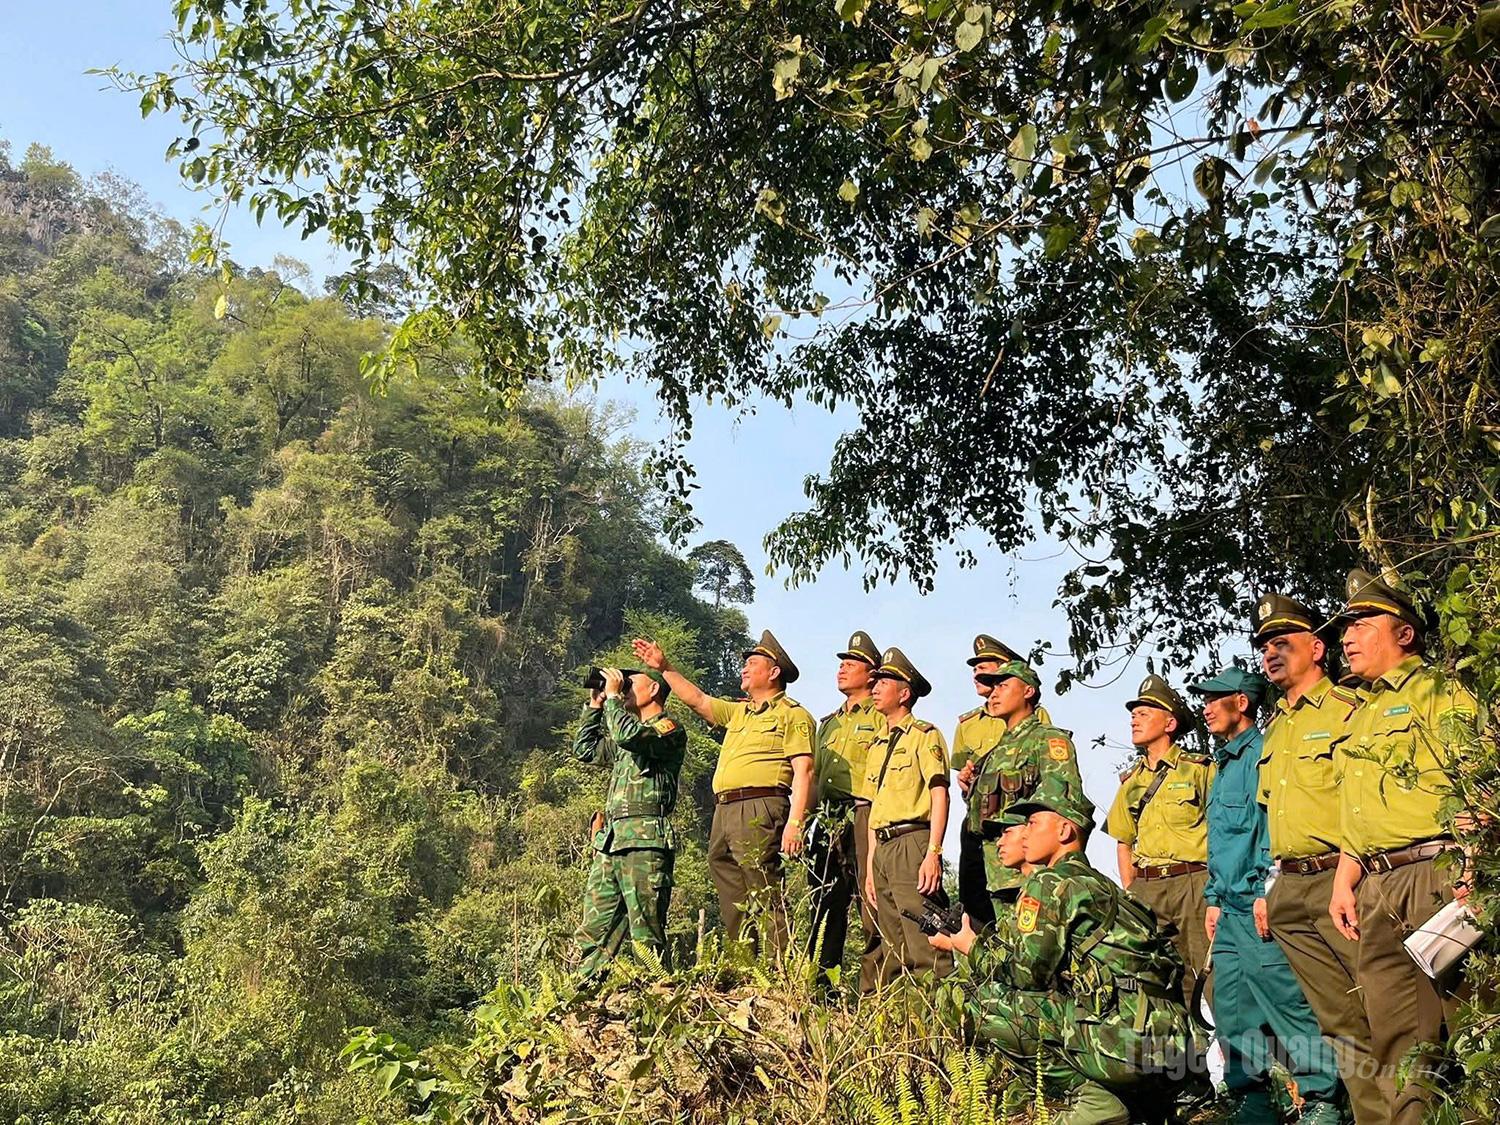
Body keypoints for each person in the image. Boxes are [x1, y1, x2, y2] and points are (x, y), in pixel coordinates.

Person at [932, 773, 1196, 1125]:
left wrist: (968, 946)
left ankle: (1093, 1099)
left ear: (1064, 831)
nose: (1024, 832)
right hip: (1173, 1043)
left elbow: (1027, 977)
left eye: (1033, 822)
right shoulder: (1103, 884)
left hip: (1128, 1043)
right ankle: (1145, 1104)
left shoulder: (1050, 882)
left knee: (987, 1000)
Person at [1328, 569, 1478, 1125]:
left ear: (1405, 634)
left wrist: (1475, 867)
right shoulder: (1359, 712)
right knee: (1393, 1035)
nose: (1348, 635)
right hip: (1375, 885)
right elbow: (1354, 810)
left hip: (1437, 872)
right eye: (1346, 625)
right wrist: (1345, 879)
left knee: (1473, 1019)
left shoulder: (1439, 690)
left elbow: (1479, 779)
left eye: (1362, 623)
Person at [1254, 592, 1386, 1125]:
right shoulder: (1277, 727)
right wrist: (1268, 887)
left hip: (1345, 880)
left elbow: (1372, 797)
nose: (1269, 653)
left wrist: (1351, 876)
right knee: (1338, 1022)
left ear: (1316, 647)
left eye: (1281, 642)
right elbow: (1273, 817)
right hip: (1289, 888)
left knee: (1386, 1010)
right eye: (1263, 645)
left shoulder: (1351, 710)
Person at [1189, 666, 1342, 1125]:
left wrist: (1263, 891)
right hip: (1228, 907)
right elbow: (1220, 841)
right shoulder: (1223, 762)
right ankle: (1253, 1099)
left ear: (1242, 702)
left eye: (1216, 699)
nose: (1206, 707)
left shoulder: (1261, 753)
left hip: (1257, 900)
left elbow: (1267, 830)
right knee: (1231, 1009)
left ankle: (1324, 1099)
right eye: (1204, 699)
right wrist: (1214, 897)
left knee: (1286, 1002)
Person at [631, 629, 815, 958]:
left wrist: (796, 823)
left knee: (763, 884)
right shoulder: (739, 712)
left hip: (761, 805)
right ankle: (744, 960)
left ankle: (780, 967)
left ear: (773, 673)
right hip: (725, 808)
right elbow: (698, 700)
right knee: (728, 880)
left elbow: (804, 771)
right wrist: (665, 666)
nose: (744, 668)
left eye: (753, 663)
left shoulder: (792, 714)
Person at [572, 666, 687, 982]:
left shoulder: (668, 729)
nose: (623, 689)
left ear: (653, 690)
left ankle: (661, 1000)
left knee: (646, 935)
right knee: (595, 929)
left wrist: (612, 698)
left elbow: (628, 735)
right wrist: (596, 705)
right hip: (612, 841)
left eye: (630, 684)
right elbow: (585, 750)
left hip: (645, 841)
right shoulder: (625, 735)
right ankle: (585, 998)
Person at [1105, 675, 1214, 1005]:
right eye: (1133, 714)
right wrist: (1131, 890)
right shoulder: (1131, 783)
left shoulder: (1199, 770)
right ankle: (1184, 1056)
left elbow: (1223, 826)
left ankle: (1230, 1053)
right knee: (1158, 979)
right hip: (1147, 886)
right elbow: (1123, 840)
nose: (1134, 719)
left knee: (1211, 975)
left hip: (1194, 882)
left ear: (1169, 723)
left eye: (1145, 712)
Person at [862, 646, 953, 981]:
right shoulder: (876, 744)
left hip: (912, 840)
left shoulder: (924, 735)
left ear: (904, 693)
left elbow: (939, 793)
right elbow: (874, 809)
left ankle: (939, 1026)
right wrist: (872, 864)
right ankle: (905, 1026)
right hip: (883, 848)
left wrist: (934, 852)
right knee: (893, 946)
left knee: (924, 938)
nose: (874, 688)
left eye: (883, 682)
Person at [966, 659, 1082, 919]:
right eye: (992, 687)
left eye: (1003, 685)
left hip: (1030, 870)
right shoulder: (995, 753)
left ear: (1028, 691)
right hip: (993, 869)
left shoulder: (1048, 739)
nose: (994, 693)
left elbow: (1064, 803)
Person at [808, 630, 888, 993]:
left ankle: (876, 992)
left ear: (871, 674)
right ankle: (823, 986)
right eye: (841, 662)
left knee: (870, 902)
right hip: (826, 816)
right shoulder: (828, 723)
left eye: (851, 663)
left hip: (864, 814)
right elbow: (813, 777)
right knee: (824, 902)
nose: (842, 668)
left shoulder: (882, 717)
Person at [952, 634, 1021, 927]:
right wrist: (967, 783)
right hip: (977, 827)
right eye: (974, 668)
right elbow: (963, 787)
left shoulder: (1032, 716)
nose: (977, 673)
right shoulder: (967, 725)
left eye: (985, 666)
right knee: (975, 906)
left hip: (1014, 826)